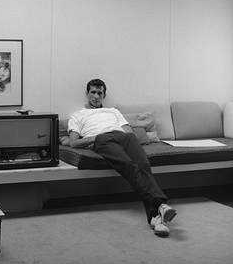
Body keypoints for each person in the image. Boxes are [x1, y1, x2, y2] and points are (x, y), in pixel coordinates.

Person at [68, 78, 177, 237]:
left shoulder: (113, 111)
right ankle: (159, 207)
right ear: (87, 93)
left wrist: (131, 137)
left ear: (104, 95)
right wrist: (95, 138)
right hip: (102, 139)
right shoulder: (77, 115)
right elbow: (73, 143)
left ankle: (156, 215)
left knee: (144, 164)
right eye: (93, 92)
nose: (96, 96)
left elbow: (129, 132)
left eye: (100, 93)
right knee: (129, 165)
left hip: (125, 138)